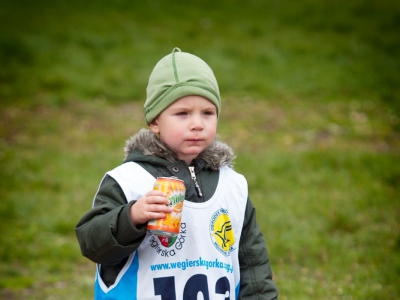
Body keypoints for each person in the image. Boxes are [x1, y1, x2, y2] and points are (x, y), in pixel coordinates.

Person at [75, 47, 278, 299]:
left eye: (208, 113)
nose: (197, 124)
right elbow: (91, 244)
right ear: (155, 121)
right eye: (182, 113)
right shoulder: (128, 181)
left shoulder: (233, 186)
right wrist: (132, 217)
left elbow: (253, 266)